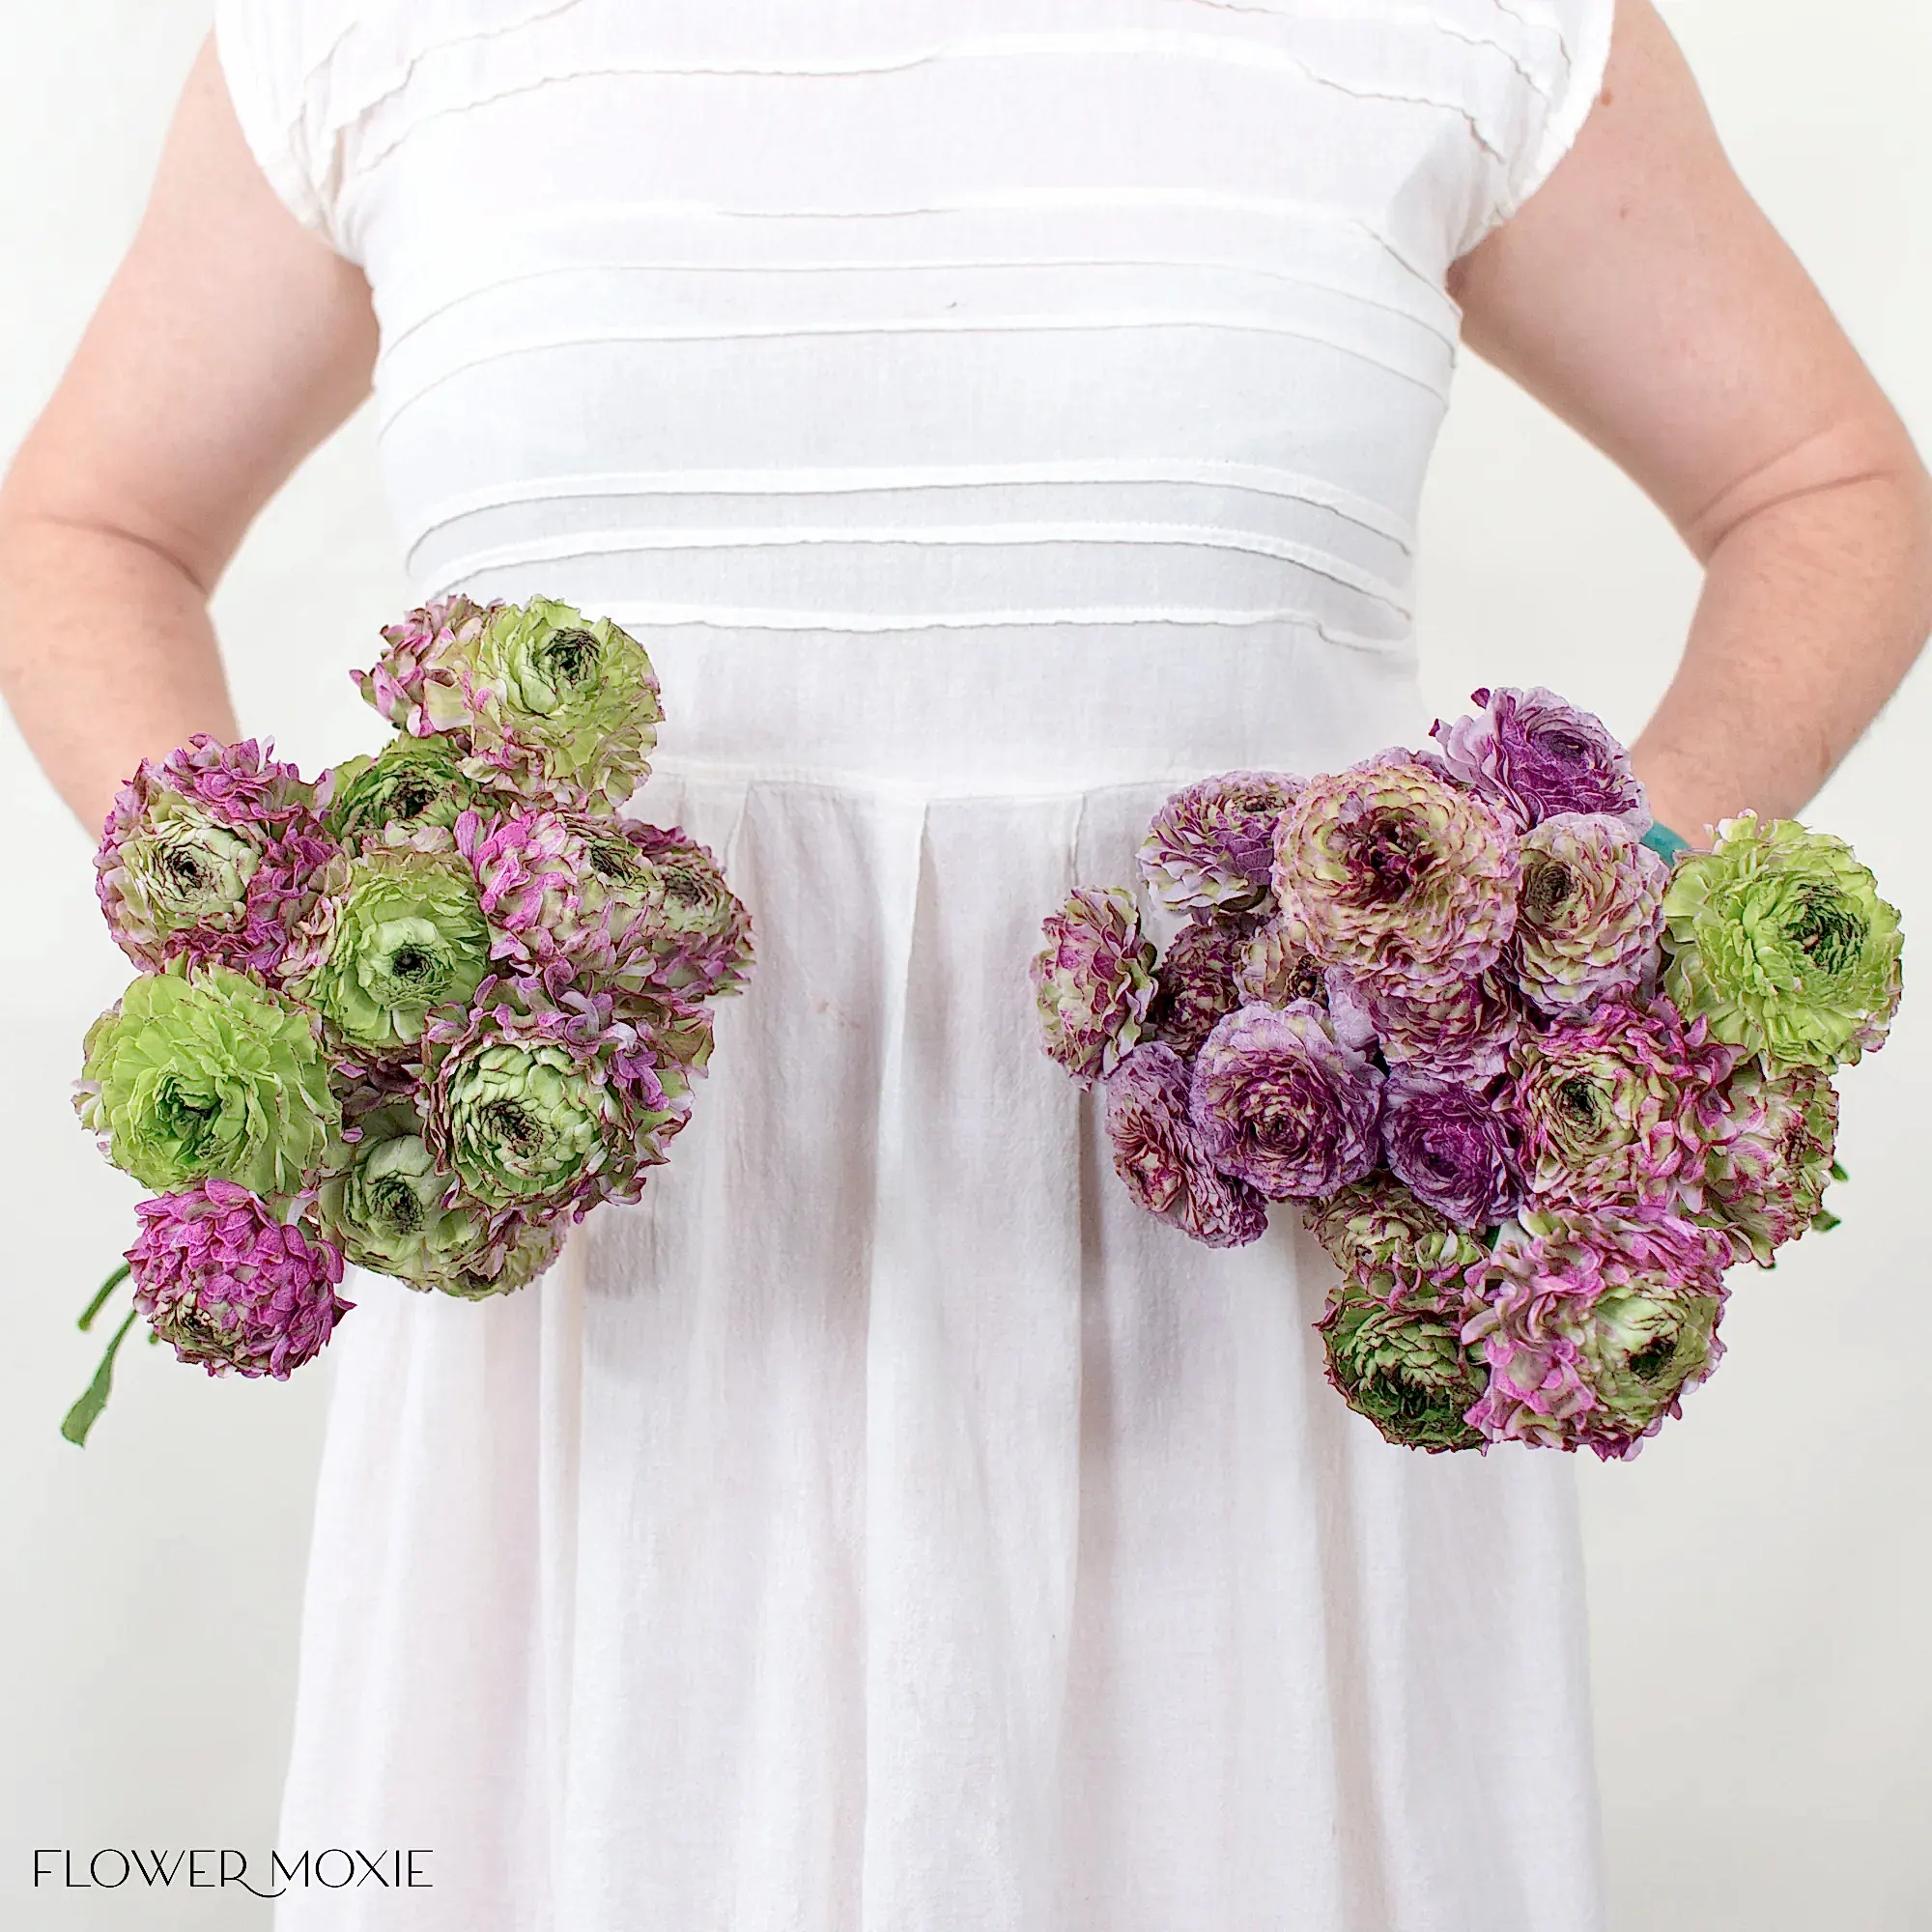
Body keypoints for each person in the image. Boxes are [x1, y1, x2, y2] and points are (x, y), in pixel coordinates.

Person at [2, 1, 1925, 1926]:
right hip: (625, 1343)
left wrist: (1571, 916)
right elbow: (86, 526)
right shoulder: (368, 31)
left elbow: (1824, 491)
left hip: (1228, 1342)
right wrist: (281, 944)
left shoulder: (1466, 25)